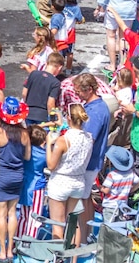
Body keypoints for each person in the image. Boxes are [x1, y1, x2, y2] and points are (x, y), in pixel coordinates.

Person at [0, 97, 31, 262]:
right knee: (13, 213)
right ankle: (10, 250)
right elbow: (27, 156)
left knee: (1, 214)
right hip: (17, 176)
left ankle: (1, 252)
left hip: (1, 177)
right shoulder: (24, 134)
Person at [45, 103, 94, 240]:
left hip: (61, 182)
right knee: (74, 223)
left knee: (57, 225)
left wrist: (49, 144)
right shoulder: (89, 138)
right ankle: (73, 259)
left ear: (68, 118)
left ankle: (58, 259)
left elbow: (51, 165)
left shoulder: (63, 140)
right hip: (78, 181)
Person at [73, 72, 111, 244]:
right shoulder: (98, 106)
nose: (77, 95)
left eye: (79, 91)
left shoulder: (95, 112)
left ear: (89, 90)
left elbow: (88, 140)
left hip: (88, 162)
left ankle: (82, 236)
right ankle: (87, 233)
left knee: (81, 199)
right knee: (86, 197)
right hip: (94, 161)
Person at [19, 125, 48, 238]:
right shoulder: (43, 155)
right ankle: (29, 240)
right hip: (37, 187)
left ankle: (19, 238)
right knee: (35, 216)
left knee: (24, 216)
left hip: (26, 185)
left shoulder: (24, 152)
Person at [100, 145, 139, 223]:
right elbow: (138, 183)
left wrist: (99, 187)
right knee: (118, 225)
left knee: (108, 227)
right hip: (122, 205)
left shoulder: (111, 175)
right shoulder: (131, 173)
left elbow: (106, 191)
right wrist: (130, 190)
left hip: (110, 206)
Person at [22, 52, 63, 125]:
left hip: (29, 113)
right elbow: (50, 103)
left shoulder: (33, 74)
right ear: (59, 67)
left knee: (30, 133)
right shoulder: (55, 83)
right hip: (42, 117)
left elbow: (24, 93)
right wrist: (52, 119)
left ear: (46, 63)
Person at [50, 0, 79, 73]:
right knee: (62, 57)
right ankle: (65, 71)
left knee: (56, 59)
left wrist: (47, 36)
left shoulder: (56, 17)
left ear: (52, 7)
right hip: (64, 40)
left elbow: (54, 31)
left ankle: (56, 73)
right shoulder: (62, 15)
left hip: (58, 42)